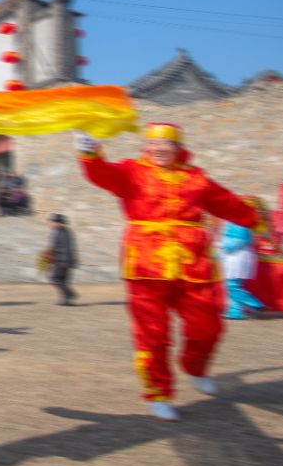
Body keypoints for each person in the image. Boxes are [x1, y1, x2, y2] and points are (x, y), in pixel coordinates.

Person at [75, 123, 257, 421]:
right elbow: (102, 175)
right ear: (147, 146)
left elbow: (225, 202)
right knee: (152, 336)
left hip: (194, 264)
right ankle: (158, 392)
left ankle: (194, 368)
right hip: (146, 265)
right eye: (154, 144)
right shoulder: (131, 171)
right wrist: (88, 152)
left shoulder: (196, 179)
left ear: (178, 147)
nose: (160, 149)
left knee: (208, 327)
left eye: (167, 144)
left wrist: (254, 218)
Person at [219, 207, 264, 320]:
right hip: (233, 255)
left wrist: (222, 246)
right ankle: (235, 312)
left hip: (237, 255)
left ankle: (254, 303)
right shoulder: (232, 220)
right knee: (233, 285)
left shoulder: (240, 221)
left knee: (231, 285)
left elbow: (240, 240)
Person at [45, 213, 78, 305]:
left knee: (53, 278)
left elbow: (53, 248)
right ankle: (65, 300)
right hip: (66, 260)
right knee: (63, 281)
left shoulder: (57, 232)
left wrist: (49, 258)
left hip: (61, 260)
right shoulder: (66, 231)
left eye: (53, 221)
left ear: (59, 223)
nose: (50, 223)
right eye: (50, 221)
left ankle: (70, 294)